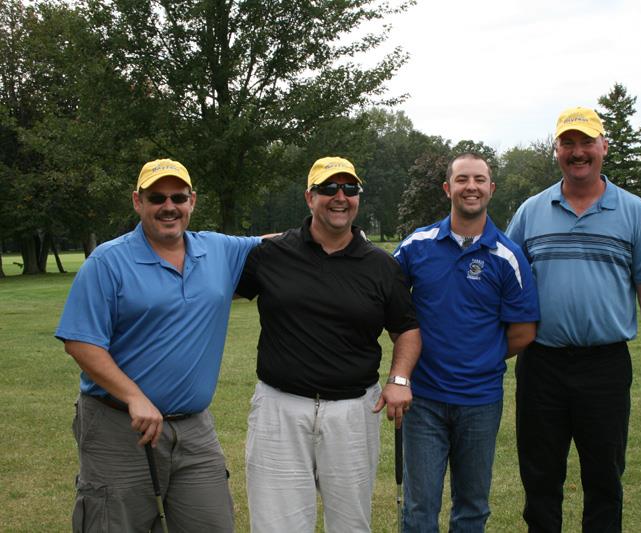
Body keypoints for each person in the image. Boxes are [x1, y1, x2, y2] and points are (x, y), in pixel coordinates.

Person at [55, 158, 262, 532]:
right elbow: (81, 342)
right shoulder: (108, 262)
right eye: (157, 198)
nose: (169, 206)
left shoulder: (219, 250)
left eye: (178, 197)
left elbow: (281, 244)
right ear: (138, 201)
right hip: (119, 427)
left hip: (195, 431)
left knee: (213, 523)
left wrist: (341, 232)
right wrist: (134, 396)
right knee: (113, 523)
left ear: (192, 201)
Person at [506, 107, 641, 532]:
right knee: (540, 477)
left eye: (586, 142)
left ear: (604, 147)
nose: (577, 152)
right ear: (556, 150)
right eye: (568, 143)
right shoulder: (531, 210)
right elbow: (505, 280)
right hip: (541, 364)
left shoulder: (633, 210)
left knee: (604, 477)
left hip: (605, 366)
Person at [235, 156, 422, 533]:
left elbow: (407, 329)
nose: (340, 197)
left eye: (350, 189)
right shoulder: (271, 254)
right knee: (277, 526)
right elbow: (213, 289)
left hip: (353, 412)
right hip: (279, 409)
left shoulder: (381, 266)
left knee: (350, 525)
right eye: (328, 188)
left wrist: (399, 378)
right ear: (309, 197)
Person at [393, 153, 540, 532]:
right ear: (448, 188)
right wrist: (409, 354)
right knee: (419, 509)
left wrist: (480, 356)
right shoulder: (416, 246)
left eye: (479, 179)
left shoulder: (508, 255)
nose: (470, 187)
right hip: (423, 399)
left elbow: (523, 331)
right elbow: (388, 303)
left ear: (491, 188)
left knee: (472, 508)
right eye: (462, 179)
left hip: (480, 401)